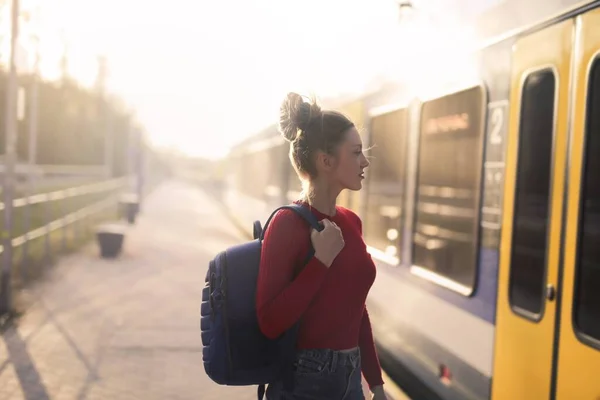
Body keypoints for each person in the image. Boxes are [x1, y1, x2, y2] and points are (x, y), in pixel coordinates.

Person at [256, 92, 388, 400]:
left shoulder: (351, 223)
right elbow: (270, 322)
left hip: (350, 380)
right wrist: (320, 262)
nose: (365, 161)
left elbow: (357, 309)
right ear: (326, 161)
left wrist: (376, 384)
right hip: (304, 383)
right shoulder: (287, 225)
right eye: (356, 152)